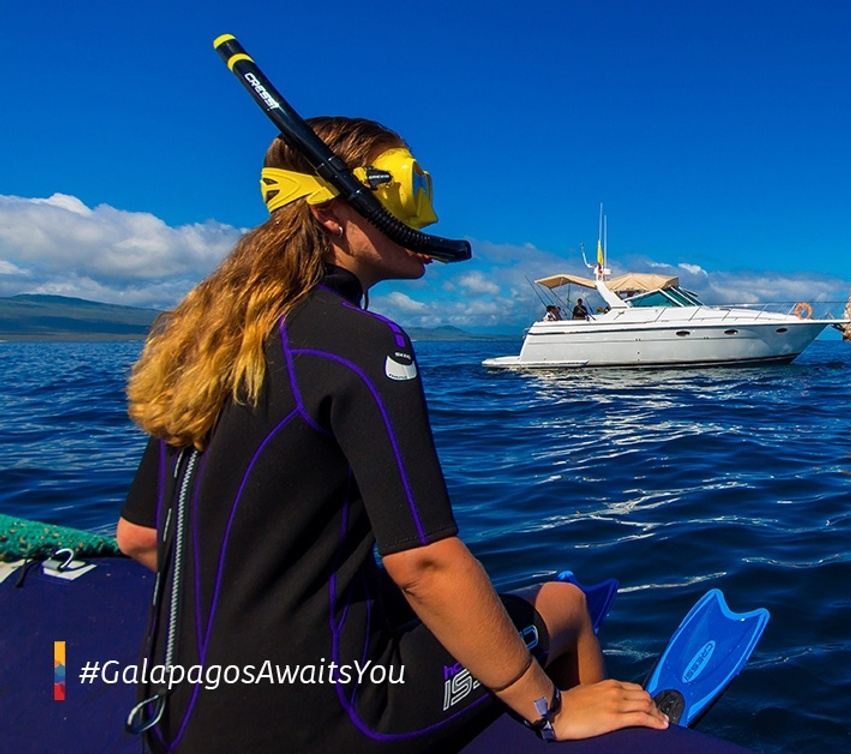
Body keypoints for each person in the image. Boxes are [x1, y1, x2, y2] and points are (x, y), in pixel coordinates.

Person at [114, 117, 668, 753]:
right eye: (404, 190)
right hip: (319, 719)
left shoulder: (210, 341)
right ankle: (592, 724)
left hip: (177, 715)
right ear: (330, 213)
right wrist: (548, 707)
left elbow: (140, 537)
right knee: (566, 604)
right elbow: (424, 566)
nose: (425, 216)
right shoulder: (361, 345)